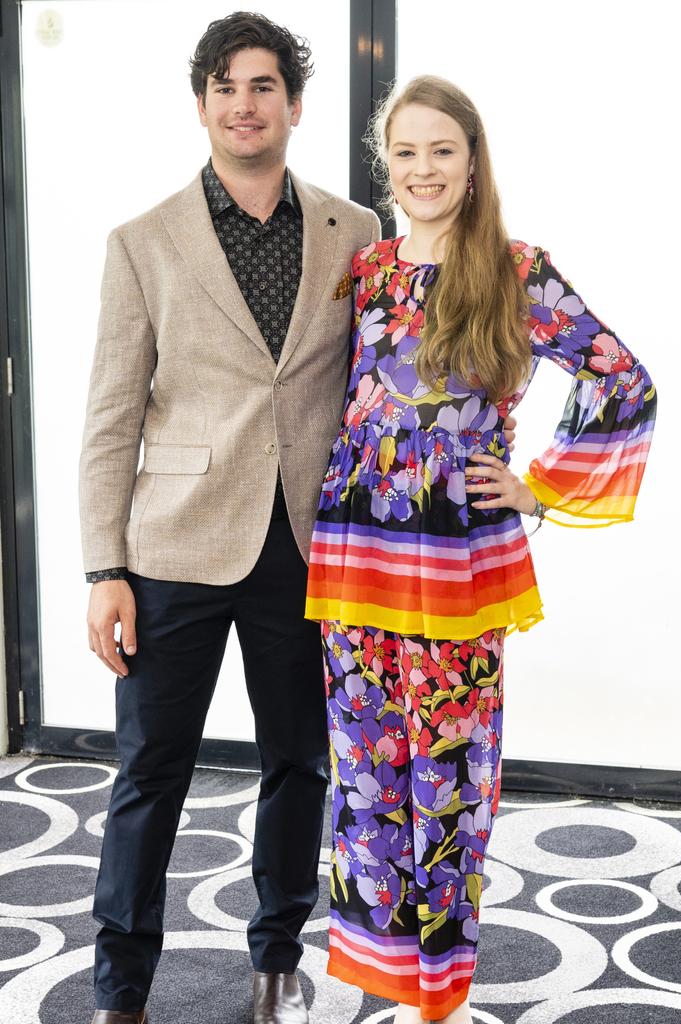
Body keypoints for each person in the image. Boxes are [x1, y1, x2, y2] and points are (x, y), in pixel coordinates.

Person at [305, 76, 657, 1024]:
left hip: (456, 566)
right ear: (390, 164)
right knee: (369, 776)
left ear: (472, 162)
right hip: (354, 560)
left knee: (450, 775)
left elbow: (622, 380)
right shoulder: (365, 271)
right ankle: (384, 975)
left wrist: (536, 484)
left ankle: (441, 993)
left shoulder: (516, 268)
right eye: (406, 153)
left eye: (442, 151)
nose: (423, 170)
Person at [78, 12, 384, 1024]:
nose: (242, 103)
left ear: (294, 105)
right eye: (223, 86)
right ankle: (121, 992)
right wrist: (102, 568)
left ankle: (274, 965)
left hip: (306, 547)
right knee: (148, 775)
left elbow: (375, 386)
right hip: (172, 545)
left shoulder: (357, 234)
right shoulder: (143, 241)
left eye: (262, 86)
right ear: (202, 104)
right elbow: (112, 414)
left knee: (297, 764)